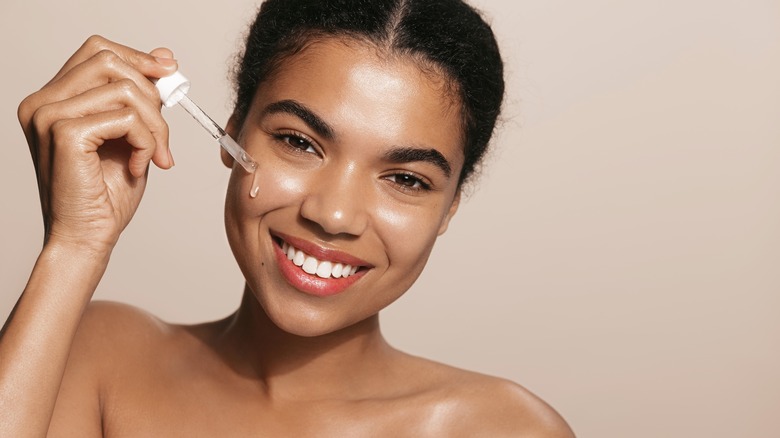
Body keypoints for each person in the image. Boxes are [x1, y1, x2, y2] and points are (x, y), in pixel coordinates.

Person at [1, 0, 574, 435]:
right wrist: (75, 245)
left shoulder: (499, 428)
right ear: (231, 133)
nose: (334, 214)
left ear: (449, 206)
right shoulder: (100, 357)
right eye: (299, 142)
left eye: (405, 179)